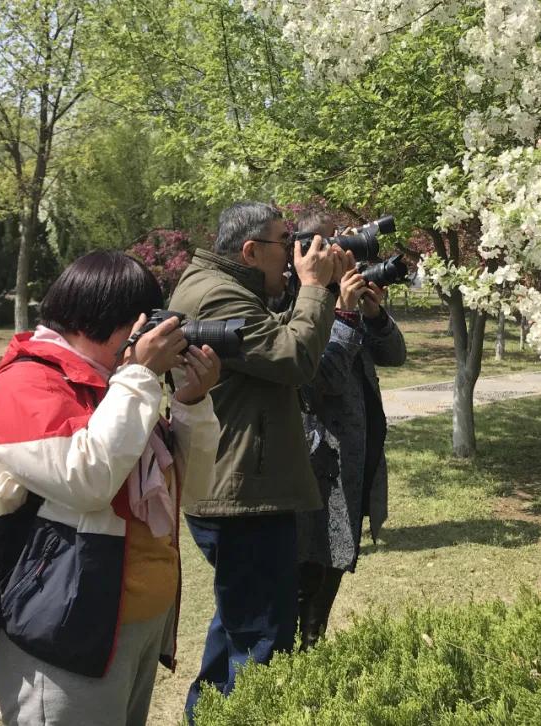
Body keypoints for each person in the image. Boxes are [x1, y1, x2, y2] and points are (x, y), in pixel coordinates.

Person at [0, 250, 222, 726]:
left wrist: (192, 402)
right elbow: (89, 481)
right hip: (67, 638)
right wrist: (139, 376)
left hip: (135, 625)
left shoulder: (115, 385)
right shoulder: (26, 382)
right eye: (145, 321)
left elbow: (198, 488)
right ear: (110, 318)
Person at [167, 201, 349, 720]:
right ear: (249, 250)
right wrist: (315, 289)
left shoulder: (221, 285)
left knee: (237, 631)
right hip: (245, 496)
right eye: (281, 244)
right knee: (261, 647)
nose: (291, 258)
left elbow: (279, 344)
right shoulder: (218, 296)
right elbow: (296, 359)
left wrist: (320, 290)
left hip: (241, 487)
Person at [292, 212, 407, 649]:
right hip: (318, 468)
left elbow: (395, 356)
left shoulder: (344, 308)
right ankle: (292, 666)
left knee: (334, 568)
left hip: (355, 465)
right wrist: (341, 313)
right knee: (306, 574)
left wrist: (373, 316)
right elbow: (319, 384)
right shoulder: (296, 307)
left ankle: (312, 649)